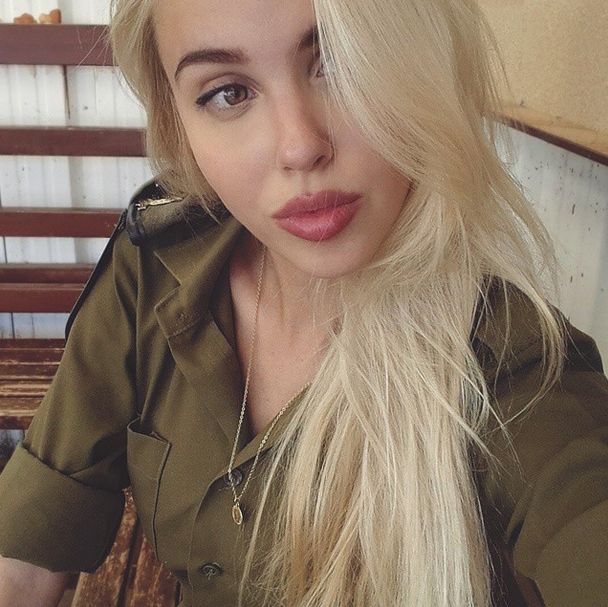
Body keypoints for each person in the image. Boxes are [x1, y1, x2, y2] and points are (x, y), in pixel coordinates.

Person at [0, 0, 607, 605]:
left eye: (340, 63)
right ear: (178, 119)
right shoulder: (156, 264)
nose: (299, 147)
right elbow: (27, 549)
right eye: (228, 93)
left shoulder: (513, 365)